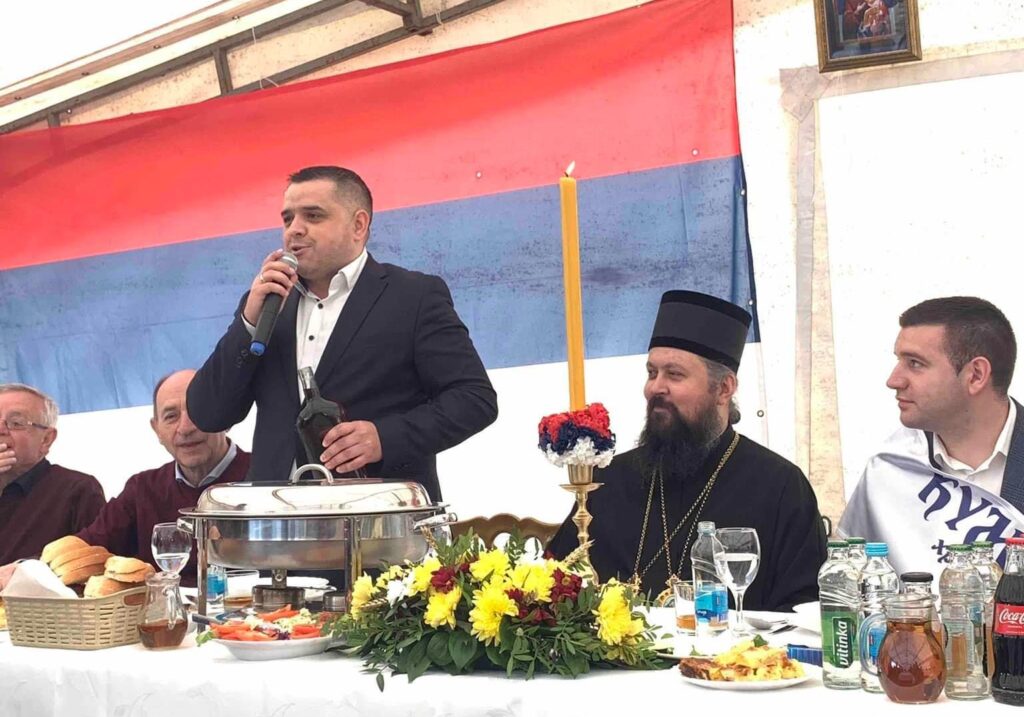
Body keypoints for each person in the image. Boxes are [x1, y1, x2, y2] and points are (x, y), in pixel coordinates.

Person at [187, 166, 497, 501]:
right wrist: (248, 323)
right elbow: (207, 413)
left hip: (378, 515)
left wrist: (384, 437)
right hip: (277, 520)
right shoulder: (268, 304)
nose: (295, 230)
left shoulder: (413, 296)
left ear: (358, 225)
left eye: (313, 216)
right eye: (288, 219)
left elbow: (474, 398)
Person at [549, 291, 827, 611]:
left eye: (675, 374)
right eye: (652, 373)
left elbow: (806, 609)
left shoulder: (780, 486)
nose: (655, 387)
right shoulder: (608, 479)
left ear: (724, 388)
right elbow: (555, 584)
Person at [839, 297, 1024, 573]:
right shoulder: (889, 467)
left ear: (976, 375)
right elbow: (850, 581)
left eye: (915, 363)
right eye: (899, 361)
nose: (894, 380)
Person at [75, 370, 250, 587]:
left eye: (198, 411)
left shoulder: (267, 479)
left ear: (226, 417)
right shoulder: (141, 489)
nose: (185, 428)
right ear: (156, 429)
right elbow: (85, 551)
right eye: (171, 416)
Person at [0, 383, 104, 566]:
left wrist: (23, 570)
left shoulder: (77, 490)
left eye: (16, 423)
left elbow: (91, 562)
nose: (1, 430)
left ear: (46, 439)